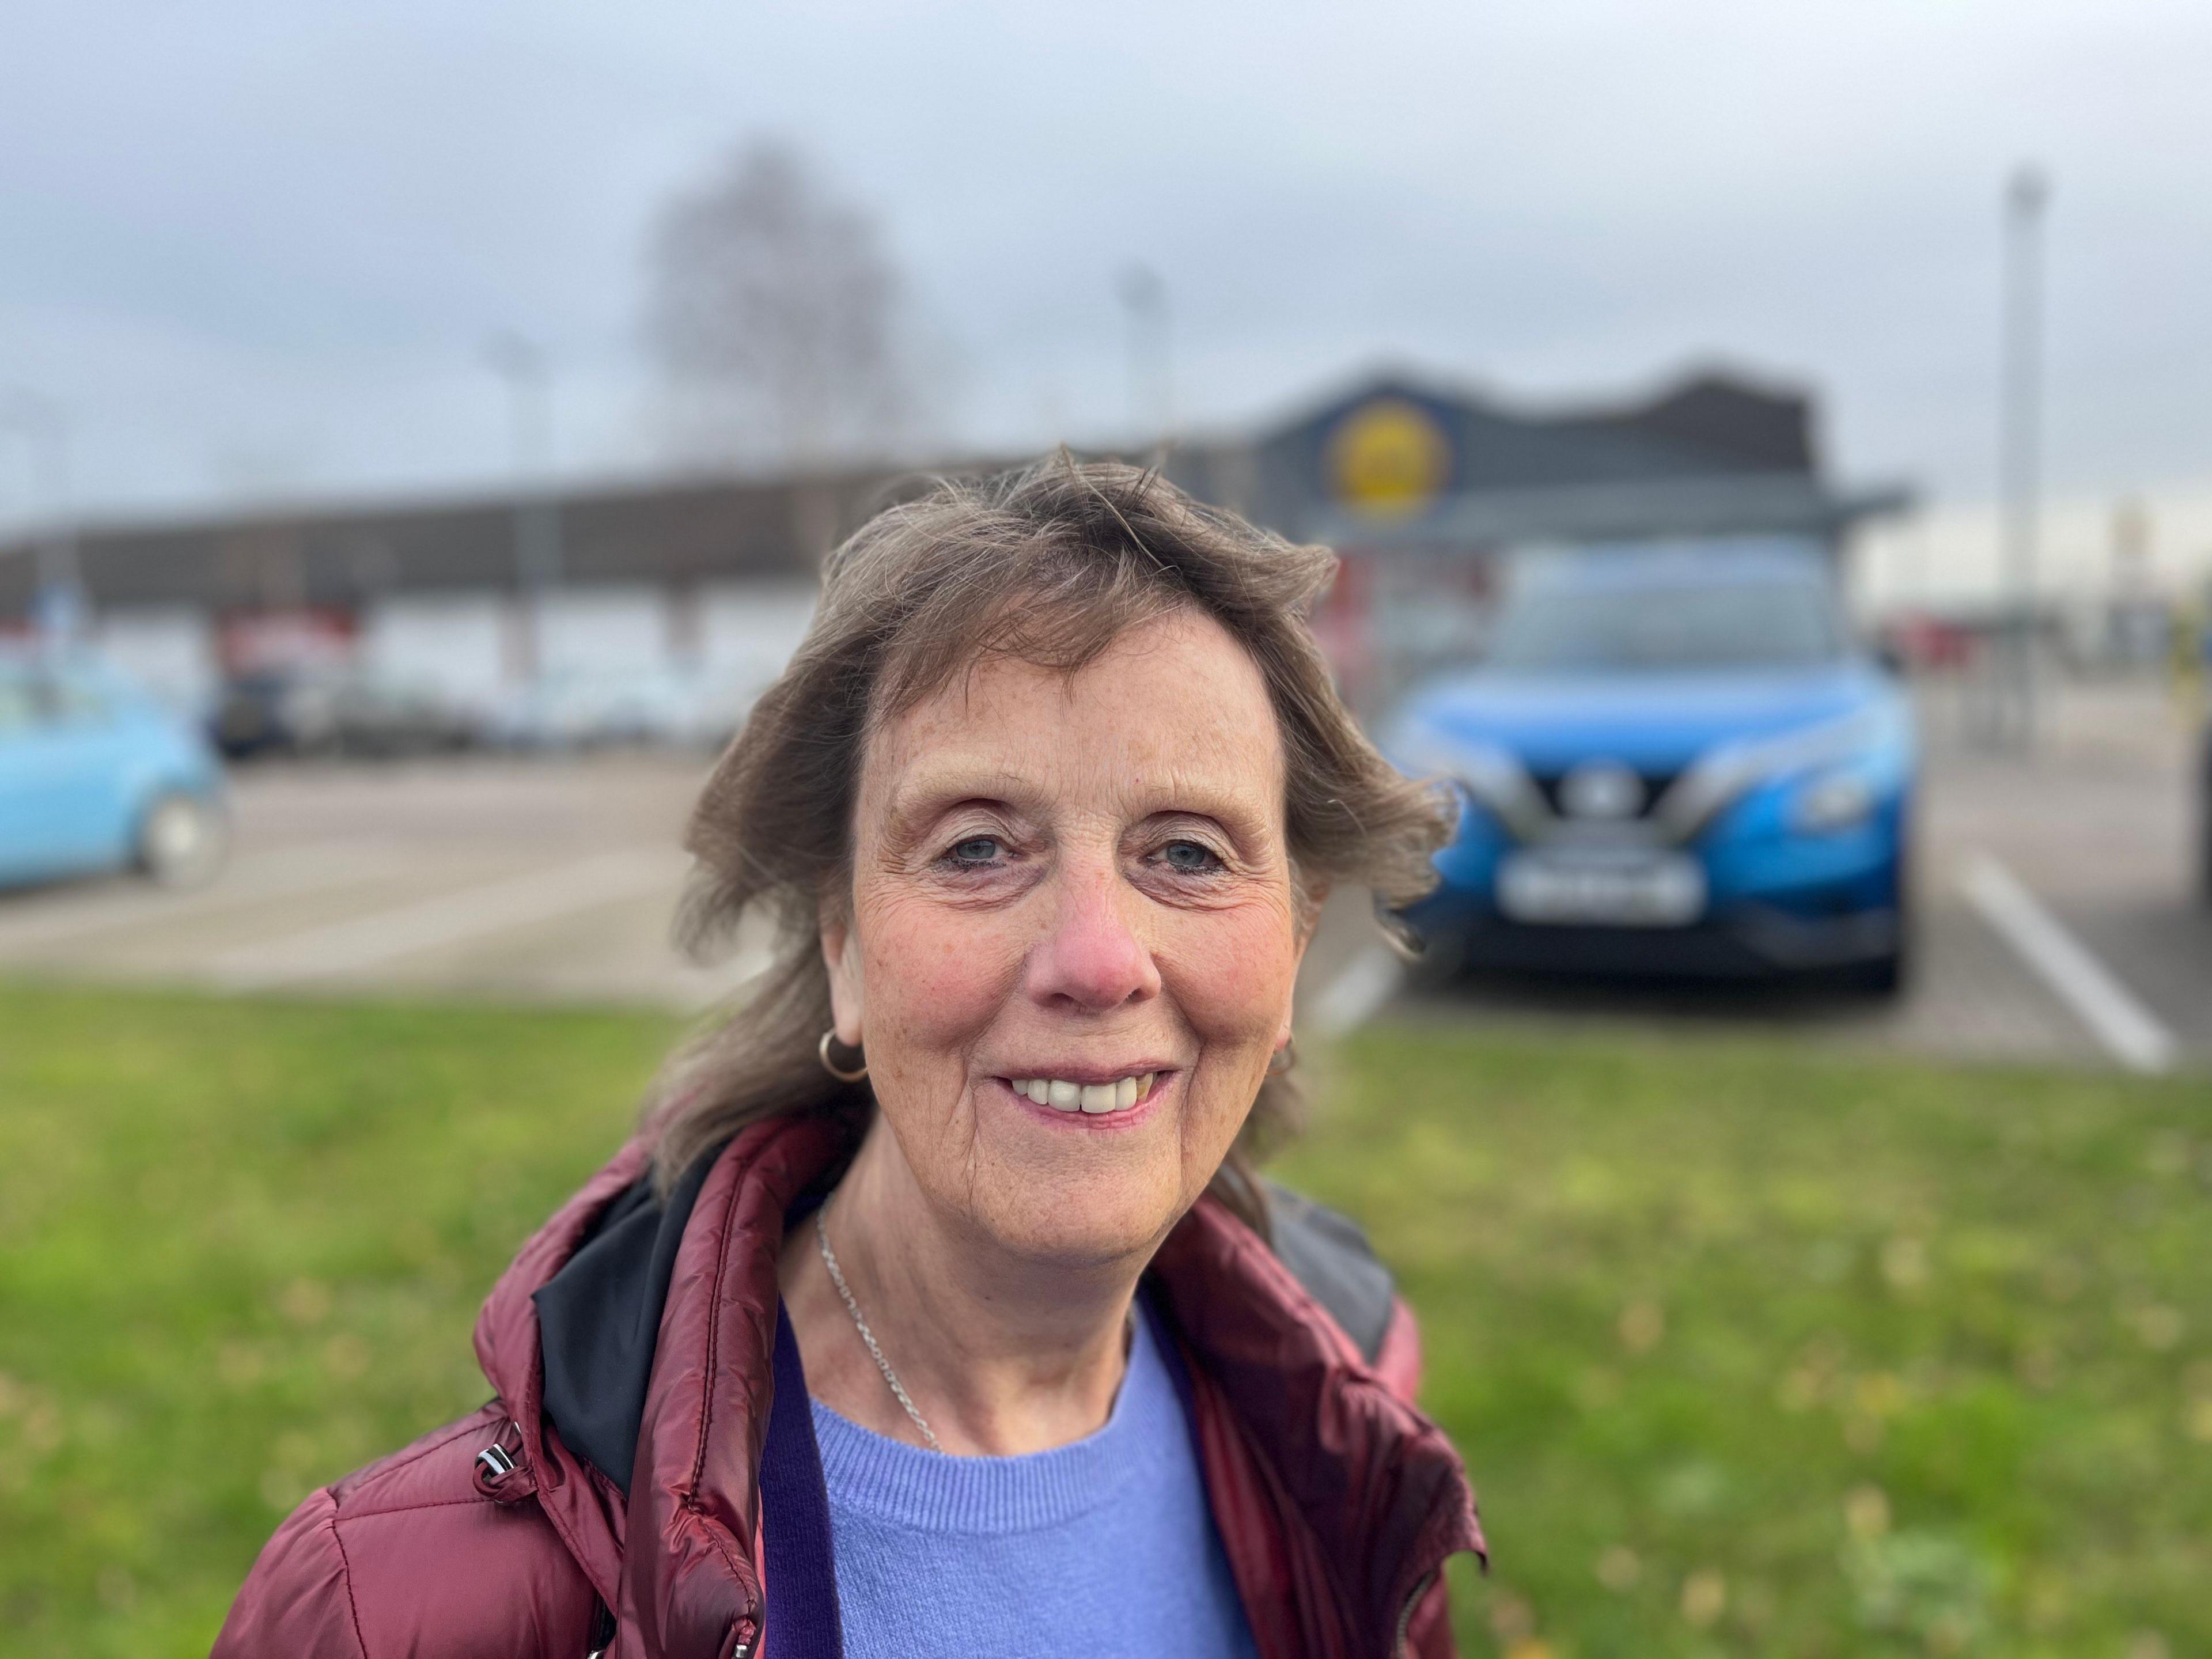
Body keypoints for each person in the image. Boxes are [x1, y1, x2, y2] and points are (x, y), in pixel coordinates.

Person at [214, 459, 1483, 1658]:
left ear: (1296, 943)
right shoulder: (386, 1609)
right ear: (846, 944)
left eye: (1190, 853)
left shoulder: (1351, 1400)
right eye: (979, 847)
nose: (1099, 960)